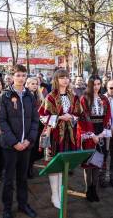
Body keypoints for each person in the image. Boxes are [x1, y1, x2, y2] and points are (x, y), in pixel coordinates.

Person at [0, 64, 39, 218]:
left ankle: (23, 204)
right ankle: (7, 208)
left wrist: (28, 140)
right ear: (12, 76)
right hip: (10, 146)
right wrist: (14, 142)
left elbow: (35, 120)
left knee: (22, 178)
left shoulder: (30, 96)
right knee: (8, 179)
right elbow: (1, 121)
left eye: (23, 75)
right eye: (18, 75)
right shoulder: (5, 96)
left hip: (26, 145)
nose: (21, 78)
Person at [39, 69, 81, 209]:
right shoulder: (50, 97)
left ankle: (60, 193)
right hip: (55, 136)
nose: (65, 80)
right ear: (56, 80)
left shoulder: (73, 96)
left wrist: (73, 117)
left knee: (64, 166)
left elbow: (78, 114)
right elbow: (43, 117)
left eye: (66, 77)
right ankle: (54, 195)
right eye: (61, 77)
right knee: (54, 166)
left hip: (70, 136)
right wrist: (61, 117)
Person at [77, 75, 111, 202]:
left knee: (97, 163)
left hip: (100, 131)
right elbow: (83, 118)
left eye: (98, 84)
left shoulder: (104, 99)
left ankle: (94, 189)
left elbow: (108, 117)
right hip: (88, 132)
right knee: (88, 164)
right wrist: (92, 135)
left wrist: (101, 134)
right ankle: (87, 189)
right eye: (94, 84)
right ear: (89, 85)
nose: (96, 87)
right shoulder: (84, 99)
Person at [25, 77, 44, 179]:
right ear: (27, 84)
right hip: (28, 125)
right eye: (32, 84)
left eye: (36, 84)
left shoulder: (39, 96)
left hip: (38, 125)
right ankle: (26, 169)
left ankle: (30, 167)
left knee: (35, 148)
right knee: (28, 148)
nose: (34, 86)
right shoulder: (24, 95)